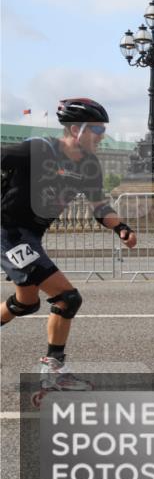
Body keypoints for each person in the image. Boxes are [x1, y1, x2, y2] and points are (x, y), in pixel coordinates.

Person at [1, 98, 137, 392]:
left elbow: (100, 206)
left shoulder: (89, 166)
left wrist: (122, 228)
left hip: (31, 236)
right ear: (76, 129)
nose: (102, 136)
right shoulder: (38, 149)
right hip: (9, 232)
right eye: (98, 129)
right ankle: (55, 370)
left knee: (26, 303)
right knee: (67, 298)